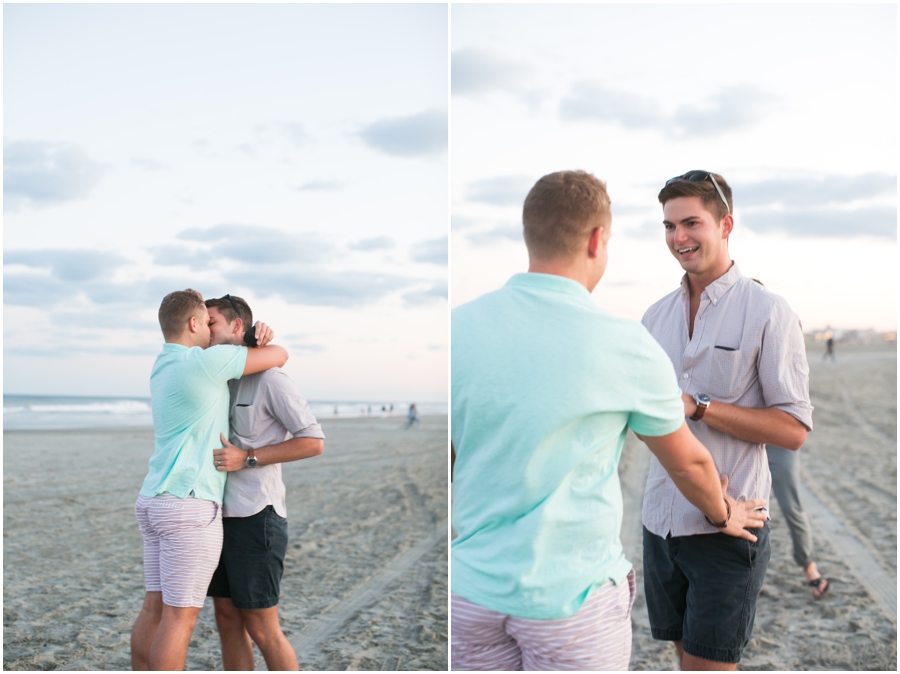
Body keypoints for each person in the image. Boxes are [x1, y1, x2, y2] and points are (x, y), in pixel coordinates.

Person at [450, 170, 767, 671]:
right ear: (598, 239)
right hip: (571, 599)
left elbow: (453, 454)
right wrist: (723, 513)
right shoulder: (622, 341)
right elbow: (688, 465)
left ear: (530, 233)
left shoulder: (458, 327)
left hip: (468, 593)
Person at [640, 171, 814, 670]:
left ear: (726, 224)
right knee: (684, 662)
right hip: (661, 522)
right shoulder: (654, 318)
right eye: (670, 226)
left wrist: (699, 405)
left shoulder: (767, 312)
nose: (679, 238)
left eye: (692, 223)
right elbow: (646, 416)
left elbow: (793, 430)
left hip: (730, 528)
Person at [131, 289, 288, 671]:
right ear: (194, 323)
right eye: (207, 321)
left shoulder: (162, 364)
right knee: (179, 619)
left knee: (153, 608)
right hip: (189, 504)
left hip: (153, 499)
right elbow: (279, 355)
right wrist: (258, 337)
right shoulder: (206, 363)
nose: (211, 331)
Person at [203, 294, 325, 671]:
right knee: (225, 620)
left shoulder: (272, 379)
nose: (205, 332)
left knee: (261, 626)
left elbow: (313, 441)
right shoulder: (217, 378)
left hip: (258, 516)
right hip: (217, 515)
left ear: (237, 326)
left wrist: (249, 457)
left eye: (211, 323)